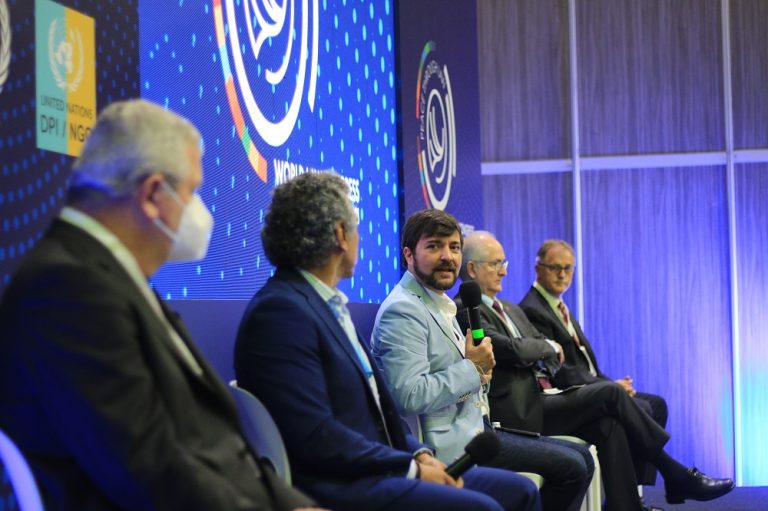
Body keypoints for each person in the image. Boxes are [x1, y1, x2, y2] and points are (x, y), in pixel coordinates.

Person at [0, 99, 318, 511]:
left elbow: (211, 444)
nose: (199, 211)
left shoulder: (109, 275)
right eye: (192, 191)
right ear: (152, 193)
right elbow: (148, 469)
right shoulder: (67, 288)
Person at [234, 172, 541, 511]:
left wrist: (419, 454)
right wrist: (409, 468)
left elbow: (379, 414)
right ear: (340, 235)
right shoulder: (281, 311)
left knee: (521, 492)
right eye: (356, 228)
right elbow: (316, 435)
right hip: (344, 484)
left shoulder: (322, 304)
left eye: (454, 247)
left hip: (385, 466)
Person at [371, 209, 593, 511]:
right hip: (448, 447)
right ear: (409, 255)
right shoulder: (403, 311)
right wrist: (472, 369)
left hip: (480, 429)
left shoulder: (439, 302)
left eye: (454, 247)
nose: (448, 256)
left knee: (580, 459)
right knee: (571, 467)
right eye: (434, 246)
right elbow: (407, 397)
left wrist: (480, 376)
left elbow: (456, 378)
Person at [519, 239, 735, 505]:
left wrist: (613, 383)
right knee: (631, 408)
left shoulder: (558, 306)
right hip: (565, 394)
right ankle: (673, 476)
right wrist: (608, 387)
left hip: (589, 386)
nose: (562, 274)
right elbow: (560, 370)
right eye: (555, 267)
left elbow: (587, 365)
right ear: (538, 268)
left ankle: (637, 493)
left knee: (656, 404)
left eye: (568, 268)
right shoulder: (532, 308)